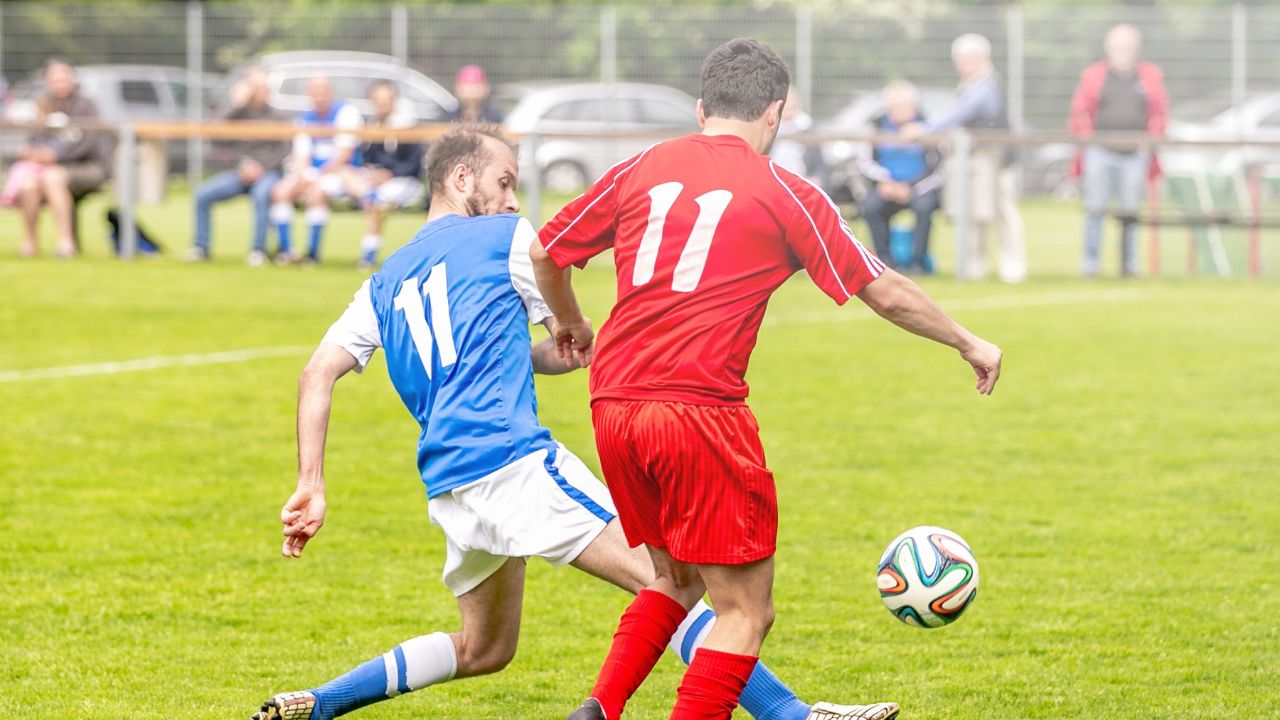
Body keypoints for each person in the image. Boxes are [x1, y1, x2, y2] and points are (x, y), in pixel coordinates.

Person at [250, 125, 895, 720]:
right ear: (461, 179)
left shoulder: (384, 281)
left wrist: (312, 480)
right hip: (513, 463)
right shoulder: (508, 240)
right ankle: (793, 714)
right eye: (504, 182)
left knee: (485, 648)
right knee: (669, 583)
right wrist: (576, 328)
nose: (511, 200)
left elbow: (319, 373)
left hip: (448, 481)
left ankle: (325, 702)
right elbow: (558, 292)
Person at [531, 38, 1002, 720]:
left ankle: (598, 708)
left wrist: (570, 323)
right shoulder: (783, 189)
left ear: (701, 107)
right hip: (697, 412)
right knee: (746, 610)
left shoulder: (641, 167)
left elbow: (548, 251)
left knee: (673, 579)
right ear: (775, 113)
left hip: (614, 404)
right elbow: (884, 289)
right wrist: (967, 340)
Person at [902, 33, 1025, 283]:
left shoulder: (987, 84)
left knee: (1003, 212)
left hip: (997, 160)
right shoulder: (968, 83)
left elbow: (960, 114)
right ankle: (973, 266)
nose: (960, 64)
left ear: (982, 57)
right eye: (958, 59)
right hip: (973, 158)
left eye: (966, 58)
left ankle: (1012, 268)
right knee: (972, 212)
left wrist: (925, 130)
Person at [1069, 24, 1168, 278]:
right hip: (1100, 152)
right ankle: (1090, 265)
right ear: (1108, 48)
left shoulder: (1150, 76)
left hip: (1135, 154)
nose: (1122, 51)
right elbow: (1079, 112)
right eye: (1117, 46)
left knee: (1130, 212)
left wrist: (1150, 140)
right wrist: (1087, 139)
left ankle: (1130, 266)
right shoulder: (1092, 75)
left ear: (1135, 49)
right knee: (1095, 209)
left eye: (1127, 46)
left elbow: (1160, 112)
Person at [8, 58, 112, 259]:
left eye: (64, 79)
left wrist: (55, 156)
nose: (61, 83)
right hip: (48, 169)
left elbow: (88, 142)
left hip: (87, 167)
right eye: (56, 79)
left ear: (72, 79)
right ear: (47, 81)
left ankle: (65, 243)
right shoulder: (42, 105)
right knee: (28, 183)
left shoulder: (86, 105)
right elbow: (34, 138)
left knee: (52, 177)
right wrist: (33, 152)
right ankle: (29, 243)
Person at [186, 67, 288, 265]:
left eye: (262, 86)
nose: (259, 90)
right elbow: (213, 133)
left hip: (268, 173)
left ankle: (258, 251)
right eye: (254, 86)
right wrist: (235, 104)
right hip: (241, 172)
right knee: (202, 194)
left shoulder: (277, 116)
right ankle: (201, 247)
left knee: (261, 195)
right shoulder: (238, 114)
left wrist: (260, 168)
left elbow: (284, 150)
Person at [270, 75, 364, 265]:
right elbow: (301, 156)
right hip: (312, 174)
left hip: (341, 173)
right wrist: (303, 176)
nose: (318, 96)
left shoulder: (346, 114)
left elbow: (343, 155)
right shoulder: (305, 119)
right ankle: (287, 251)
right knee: (280, 191)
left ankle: (312, 254)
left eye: (322, 92)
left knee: (317, 193)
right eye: (314, 93)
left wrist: (314, 178)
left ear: (330, 92)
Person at [337, 80, 426, 270]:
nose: (383, 104)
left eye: (387, 99)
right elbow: (366, 159)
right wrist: (372, 171)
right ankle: (368, 195)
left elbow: (414, 165)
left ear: (394, 101)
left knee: (377, 201)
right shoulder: (372, 126)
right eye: (379, 100)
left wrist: (389, 174)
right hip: (374, 181)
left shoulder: (407, 127)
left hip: (403, 181)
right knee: (344, 172)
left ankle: (368, 256)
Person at [857, 81, 943, 274]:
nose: (898, 111)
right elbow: (865, 162)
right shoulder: (876, 127)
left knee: (924, 206)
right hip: (886, 187)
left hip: (919, 188)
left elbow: (937, 168)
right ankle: (885, 263)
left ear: (914, 106)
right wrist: (885, 182)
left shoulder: (929, 126)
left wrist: (911, 188)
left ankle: (918, 263)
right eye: (894, 107)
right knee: (870, 207)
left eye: (904, 106)